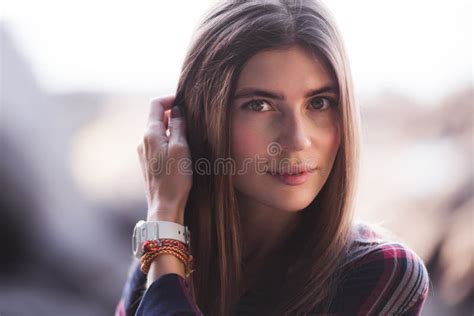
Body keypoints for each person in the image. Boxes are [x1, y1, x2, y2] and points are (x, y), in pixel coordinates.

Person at [116, 0, 430, 315]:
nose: (297, 140)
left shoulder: (384, 272)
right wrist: (165, 224)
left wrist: (165, 229)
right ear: (201, 119)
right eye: (260, 105)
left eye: (319, 103)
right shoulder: (168, 253)